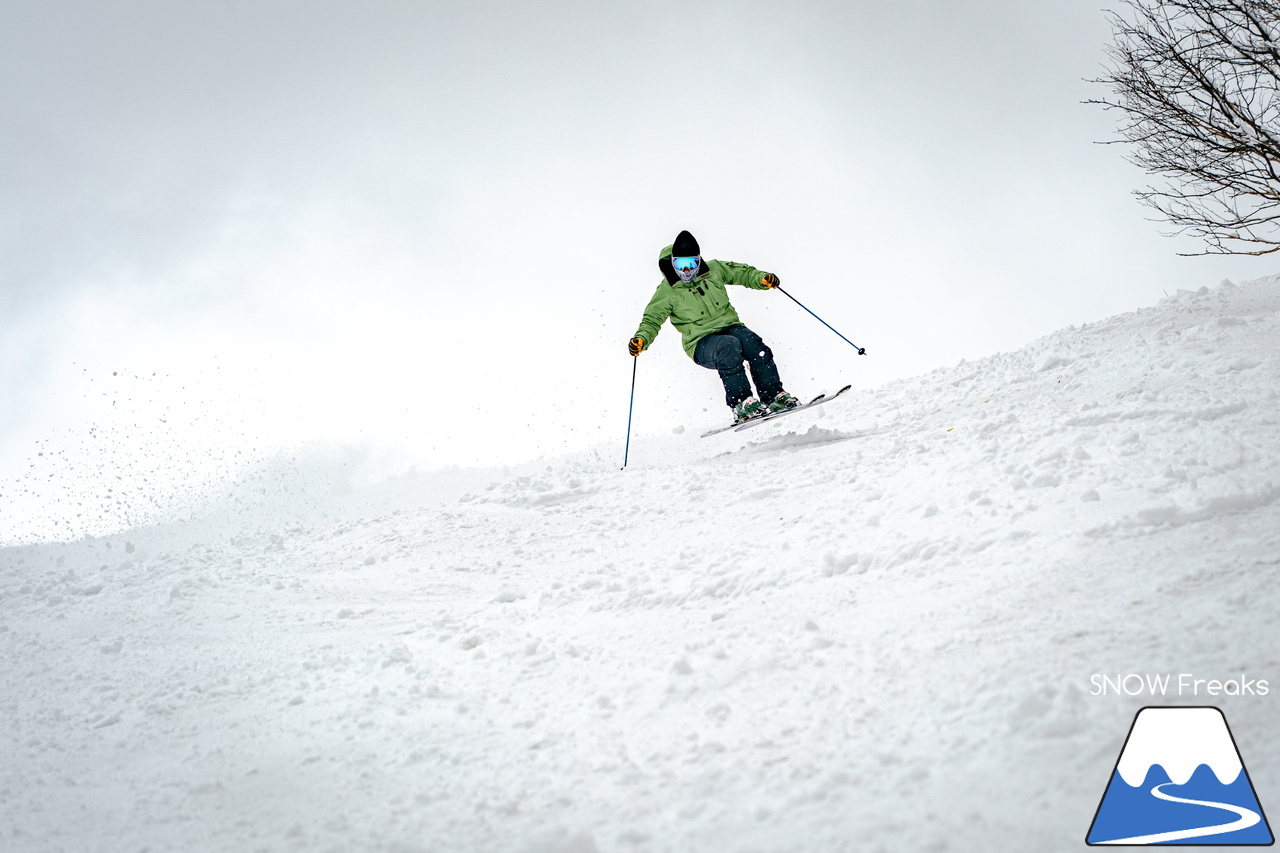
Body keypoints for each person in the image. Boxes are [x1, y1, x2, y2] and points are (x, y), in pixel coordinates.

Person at [629, 230, 799, 423]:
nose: (687, 270)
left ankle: (774, 396)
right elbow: (652, 319)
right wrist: (641, 339)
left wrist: (761, 278)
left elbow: (743, 273)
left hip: (730, 327)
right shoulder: (667, 290)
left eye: (692, 263)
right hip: (700, 343)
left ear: (699, 260)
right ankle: (742, 403)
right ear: (673, 263)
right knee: (728, 345)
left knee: (753, 344)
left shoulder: (714, 270)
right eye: (681, 265)